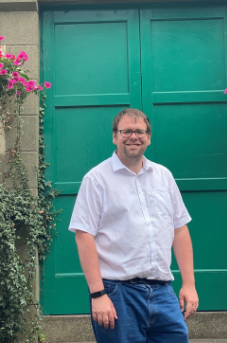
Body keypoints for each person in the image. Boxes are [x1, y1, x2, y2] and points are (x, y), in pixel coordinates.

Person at [68, 108, 199, 343]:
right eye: (126, 131)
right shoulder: (96, 179)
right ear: (115, 136)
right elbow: (83, 235)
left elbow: (179, 229)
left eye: (139, 131)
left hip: (162, 291)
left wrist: (189, 284)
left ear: (148, 137)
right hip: (117, 293)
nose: (133, 137)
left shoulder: (164, 176)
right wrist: (98, 294)